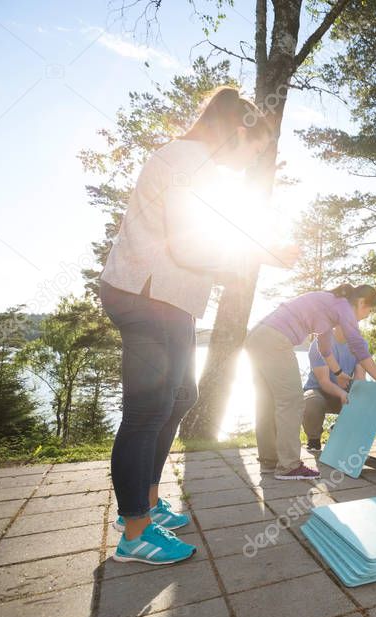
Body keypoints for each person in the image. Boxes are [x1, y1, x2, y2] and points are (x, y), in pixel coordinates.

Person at [100, 86, 298, 565]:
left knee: (180, 398)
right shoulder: (192, 162)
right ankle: (134, 532)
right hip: (148, 295)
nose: (253, 160)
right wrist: (256, 259)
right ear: (237, 131)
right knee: (147, 409)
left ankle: (145, 500)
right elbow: (188, 246)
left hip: (171, 299)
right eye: (254, 148)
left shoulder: (197, 164)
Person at [245, 284, 376, 479]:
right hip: (276, 339)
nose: (366, 316)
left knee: (267, 402)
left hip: (258, 336)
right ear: (361, 302)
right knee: (292, 401)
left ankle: (269, 461)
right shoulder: (344, 307)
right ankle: (289, 466)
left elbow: (324, 346)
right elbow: (359, 347)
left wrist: (338, 371)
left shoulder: (330, 306)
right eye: (368, 310)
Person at [302, 324, 367, 452]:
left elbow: (360, 376)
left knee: (361, 398)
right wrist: (342, 394)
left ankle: (339, 430)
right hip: (319, 390)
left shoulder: (360, 344)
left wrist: (357, 398)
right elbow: (324, 381)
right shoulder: (320, 342)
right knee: (312, 401)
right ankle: (313, 440)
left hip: (345, 389)